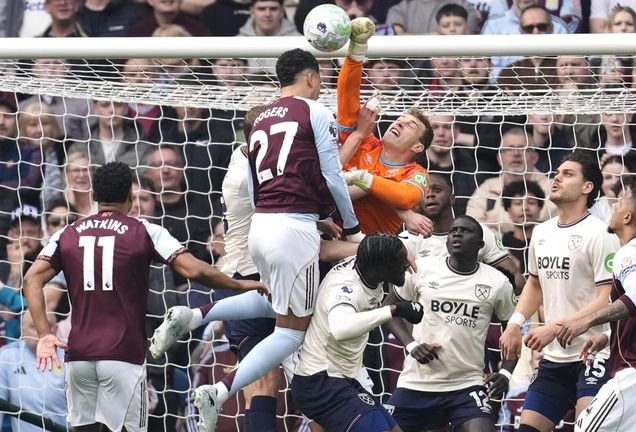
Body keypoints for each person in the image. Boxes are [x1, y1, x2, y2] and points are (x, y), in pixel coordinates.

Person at [154, 48, 363, 432]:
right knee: (292, 334)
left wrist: (314, 217)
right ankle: (219, 389)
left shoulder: (261, 122)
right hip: (290, 232)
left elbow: (261, 189)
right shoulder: (314, 111)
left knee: (276, 305)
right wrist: (352, 229)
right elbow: (331, 175)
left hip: (262, 231)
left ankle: (199, 314)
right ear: (313, 78)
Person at [22, 161, 265, 432]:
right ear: (129, 195)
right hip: (123, 356)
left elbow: (31, 279)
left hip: (78, 357)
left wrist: (44, 334)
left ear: (94, 196)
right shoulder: (144, 230)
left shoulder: (67, 233)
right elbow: (192, 269)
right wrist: (237, 283)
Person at [498, 151, 620, 432]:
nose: (557, 178)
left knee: (588, 428)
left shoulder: (601, 233)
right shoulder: (541, 232)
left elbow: (607, 298)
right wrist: (515, 323)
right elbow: (535, 283)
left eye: (568, 174)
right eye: (557, 173)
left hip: (593, 354)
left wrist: (554, 327)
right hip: (553, 358)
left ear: (587, 187)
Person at [555, 188, 636, 431]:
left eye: (620, 204)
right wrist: (608, 336)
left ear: (628, 218)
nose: (614, 207)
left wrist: (586, 321)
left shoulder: (631, 251)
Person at [384, 215, 516, 432]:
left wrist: (506, 372)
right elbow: (389, 309)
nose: (457, 234)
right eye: (453, 230)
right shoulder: (422, 269)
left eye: (465, 231)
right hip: (418, 382)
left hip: (467, 384)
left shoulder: (497, 282)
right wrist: (411, 345)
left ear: (480, 245)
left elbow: (512, 332)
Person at [292, 233, 424, 432]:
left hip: (343, 377)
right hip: (321, 381)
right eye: (400, 262)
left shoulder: (368, 264)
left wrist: (403, 252)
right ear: (382, 266)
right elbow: (341, 328)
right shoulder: (346, 290)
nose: (406, 265)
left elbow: (379, 244)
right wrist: (393, 310)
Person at [337, 17, 433, 234]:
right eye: (400, 119)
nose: (400, 121)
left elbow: (406, 197)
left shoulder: (415, 173)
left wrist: (362, 179)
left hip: (376, 255)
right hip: (327, 240)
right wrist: (357, 51)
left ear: (418, 147)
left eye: (410, 125)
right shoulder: (364, 141)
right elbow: (347, 98)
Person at [398, 172, 521, 290]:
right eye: (425, 192)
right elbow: (397, 291)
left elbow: (518, 281)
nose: (430, 195)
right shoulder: (407, 239)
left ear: (452, 199)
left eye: (437, 190)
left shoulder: (479, 232)